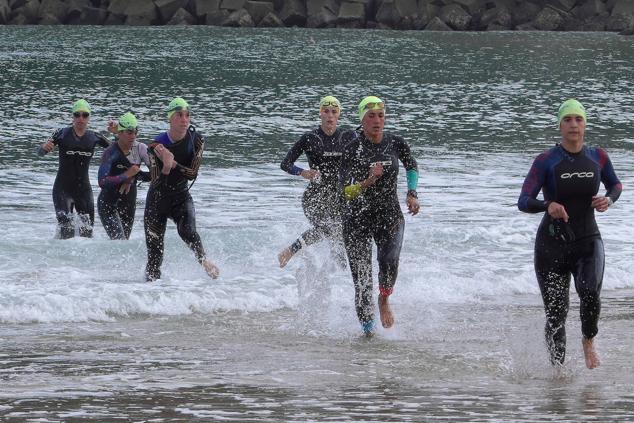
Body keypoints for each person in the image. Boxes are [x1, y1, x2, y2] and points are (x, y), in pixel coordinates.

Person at [518, 99, 622, 369]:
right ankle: (558, 373)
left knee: (589, 292)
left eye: (578, 119)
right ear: (560, 125)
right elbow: (524, 200)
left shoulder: (597, 156)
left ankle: (588, 341)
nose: (573, 124)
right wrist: (547, 205)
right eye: (567, 119)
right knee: (556, 315)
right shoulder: (546, 161)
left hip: (588, 240)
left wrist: (608, 200)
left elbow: (616, 184)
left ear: (585, 124)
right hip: (551, 245)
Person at [339, 96, 420, 336]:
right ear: (362, 119)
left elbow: (411, 165)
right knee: (362, 281)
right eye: (371, 116)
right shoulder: (352, 149)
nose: (377, 120)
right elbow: (346, 191)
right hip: (357, 219)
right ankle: (368, 333)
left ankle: (384, 299)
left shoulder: (396, 142)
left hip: (389, 215)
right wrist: (369, 180)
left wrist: (412, 193)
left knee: (389, 263)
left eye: (381, 115)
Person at [144, 97, 219, 281]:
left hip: (181, 196)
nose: (184, 119)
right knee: (155, 257)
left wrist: (174, 164)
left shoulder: (197, 140)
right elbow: (155, 182)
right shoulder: (156, 146)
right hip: (157, 201)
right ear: (170, 119)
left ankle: (204, 261)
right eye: (179, 115)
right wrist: (166, 168)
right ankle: (149, 297)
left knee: (188, 232)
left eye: (187, 115)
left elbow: (192, 173)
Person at [278, 95, 347, 268]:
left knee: (339, 236)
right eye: (326, 111)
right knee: (326, 230)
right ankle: (291, 250)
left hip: (338, 197)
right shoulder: (309, 138)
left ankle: (339, 276)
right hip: (314, 196)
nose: (330, 115)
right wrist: (302, 172)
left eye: (334, 112)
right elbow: (285, 164)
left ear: (338, 115)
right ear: (320, 114)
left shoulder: (348, 137)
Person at [37, 99, 110, 239]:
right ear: (72, 116)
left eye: (85, 115)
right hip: (62, 190)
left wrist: (117, 132)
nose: (81, 118)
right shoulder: (61, 134)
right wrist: (43, 148)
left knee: (87, 234)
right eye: (77, 114)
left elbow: (118, 151)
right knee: (66, 232)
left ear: (89, 117)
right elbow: (39, 153)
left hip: (84, 191)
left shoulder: (95, 137)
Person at [97, 112, 151, 240]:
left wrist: (132, 177)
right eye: (129, 132)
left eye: (135, 132)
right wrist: (126, 174)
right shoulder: (110, 152)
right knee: (119, 241)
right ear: (119, 133)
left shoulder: (141, 149)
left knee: (124, 244)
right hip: (108, 204)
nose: (133, 136)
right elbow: (102, 181)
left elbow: (155, 175)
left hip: (128, 202)